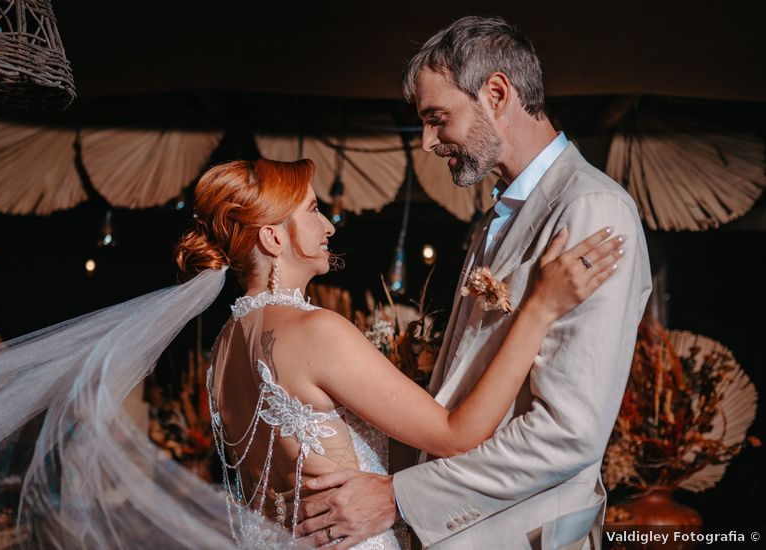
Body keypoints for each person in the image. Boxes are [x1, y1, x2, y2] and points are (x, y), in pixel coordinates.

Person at [294, 16, 652, 550]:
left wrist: (399, 497)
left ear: (498, 93)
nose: (427, 142)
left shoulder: (590, 210)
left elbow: (566, 435)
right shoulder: (496, 217)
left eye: (438, 118)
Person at [175, 158, 626, 549]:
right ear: (273, 239)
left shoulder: (226, 345)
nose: (329, 226)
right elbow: (455, 435)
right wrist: (540, 309)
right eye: (313, 211)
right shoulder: (316, 332)